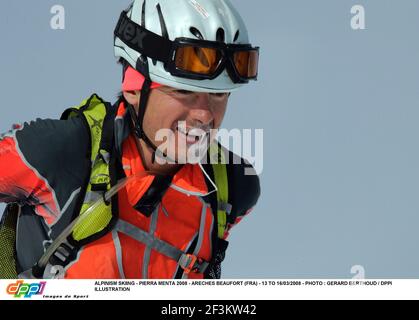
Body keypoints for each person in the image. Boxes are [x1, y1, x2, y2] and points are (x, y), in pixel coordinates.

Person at [0, 0, 260, 279]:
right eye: (184, 92)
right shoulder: (58, 152)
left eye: (219, 95)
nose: (204, 114)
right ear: (134, 87)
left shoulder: (232, 186)